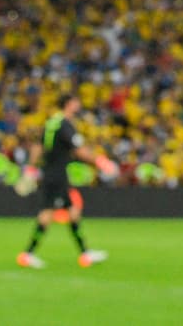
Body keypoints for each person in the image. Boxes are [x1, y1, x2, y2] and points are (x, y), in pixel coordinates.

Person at [16, 93, 114, 269]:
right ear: (69, 104)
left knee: (73, 210)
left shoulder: (51, 122)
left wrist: (31, 167)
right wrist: (100, 162)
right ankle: (27, 254)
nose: (78, 105)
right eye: (76, 102)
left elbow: (38, 146)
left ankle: (85, 253)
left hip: (50, 173)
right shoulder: (65, 124)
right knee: (47, 215)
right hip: (57, 176)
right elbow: (79, 150)